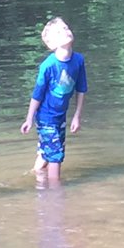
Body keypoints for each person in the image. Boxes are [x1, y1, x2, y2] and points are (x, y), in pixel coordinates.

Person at [20, 17, 87, 184]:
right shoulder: (48, 66)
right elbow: (37, 94)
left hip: (60, 116)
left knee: (49, 152)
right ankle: (55, 193)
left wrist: (77, 115)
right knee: (56, 156)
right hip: (45, 117)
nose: (65, 31)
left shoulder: (78, 60)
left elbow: (81, 89)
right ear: (51, 44)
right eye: (59, 31)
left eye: (66, 27)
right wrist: (29, 118)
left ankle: (35, 176)